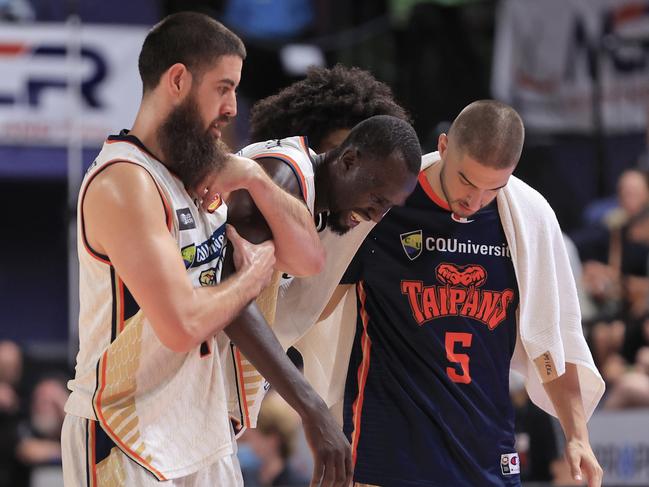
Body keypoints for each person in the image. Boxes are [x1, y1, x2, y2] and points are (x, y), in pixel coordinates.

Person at [62, 12, 350, 486]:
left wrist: (256, 177)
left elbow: (307, 259)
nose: (233, 106)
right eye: (223, 87)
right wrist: (252, 279)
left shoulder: (202, 170)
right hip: (125, 431)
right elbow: (182, 325)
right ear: (178, 79)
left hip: (200, 425)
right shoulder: (125, 182)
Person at [275, 101, 606, 486]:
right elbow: (313, 302)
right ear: (445, 146)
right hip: (387, 450)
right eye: (467, 181)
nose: (475, 200)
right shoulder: (386, 202)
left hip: (486, 452)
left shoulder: (529, 217)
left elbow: (554, 339)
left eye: (492, 188)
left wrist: (578, 436)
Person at [224, 114, 421, 430]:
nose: (376, 216)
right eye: (377, 199)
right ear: (348, 161)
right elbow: (231, 303)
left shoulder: (317, 207)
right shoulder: (284, 176)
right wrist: (310, 405)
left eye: (388, 207)